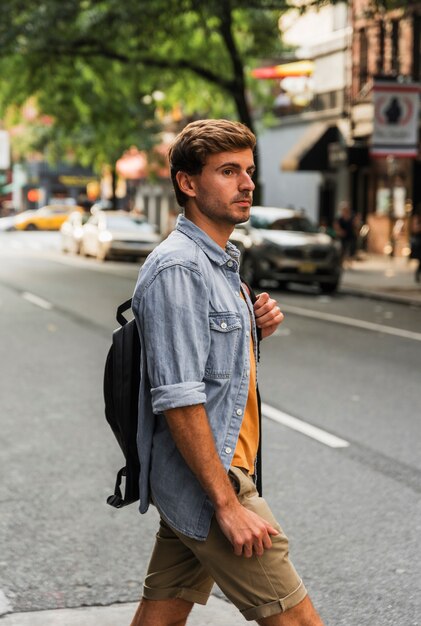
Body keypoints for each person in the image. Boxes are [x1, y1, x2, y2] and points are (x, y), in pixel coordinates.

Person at [130, 119, 325, 626]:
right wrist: (228, 506)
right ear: (187, 183)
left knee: (160, 617)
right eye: (228, 171)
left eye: (250, 171)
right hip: (215, 481)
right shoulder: (180, 268)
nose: (247, 184)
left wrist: (251, 331)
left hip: (200, 473)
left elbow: (210, 370)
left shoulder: (220, 264)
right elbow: (178, 396)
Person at [410, 212, 421, 283]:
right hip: (419, 244)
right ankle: (417, 274)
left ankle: (417, 274)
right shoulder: (416, 219)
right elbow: (414, 230)